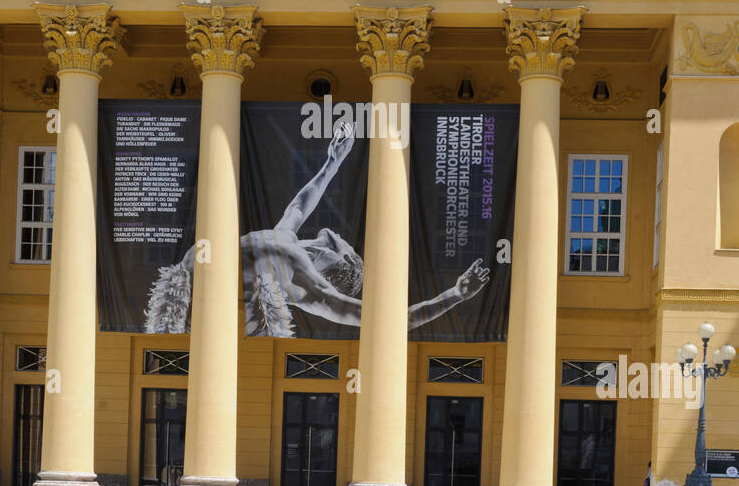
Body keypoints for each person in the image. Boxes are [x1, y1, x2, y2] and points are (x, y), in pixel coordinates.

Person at [144, 121, 490, 335]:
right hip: (188, 278)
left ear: (343, 262)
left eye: (348, 246)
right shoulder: (287, 238)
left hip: (204, 291)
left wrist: (455, 295)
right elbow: (300, 204)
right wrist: (334, 160)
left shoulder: (308, 284)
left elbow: (389, 323)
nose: (340, 236)